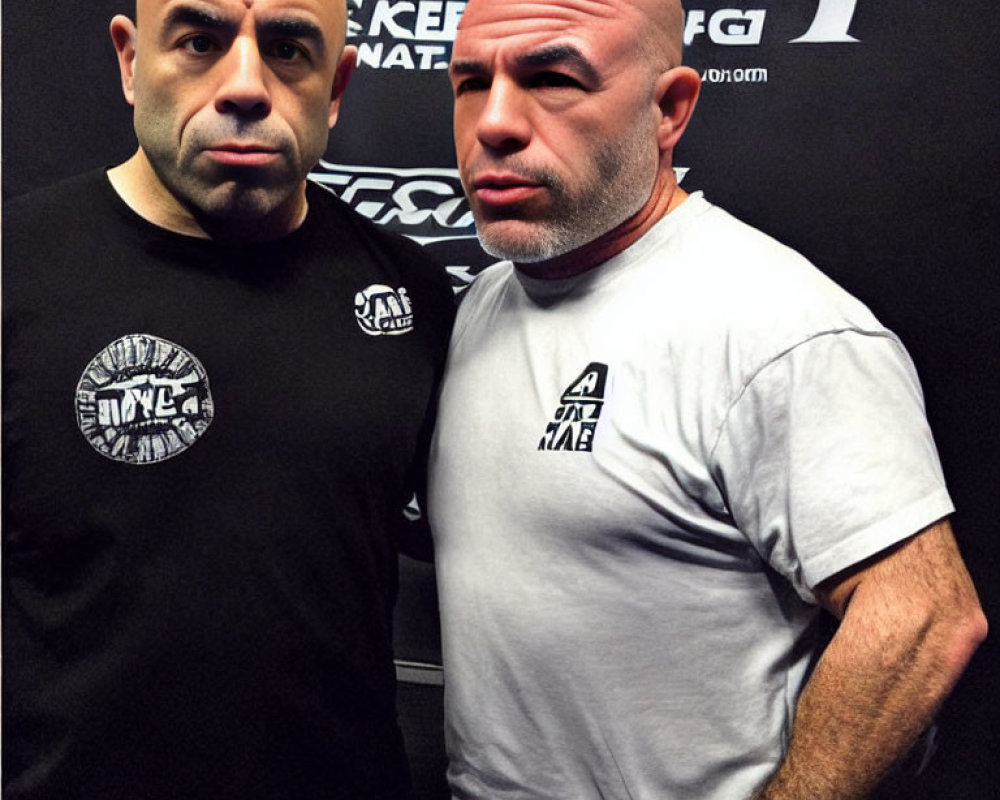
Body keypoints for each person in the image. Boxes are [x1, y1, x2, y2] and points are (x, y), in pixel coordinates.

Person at [426, 1, 987, 798]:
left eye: (552, 79)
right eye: (471, 82)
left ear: (669, 108)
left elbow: (924, 619)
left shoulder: (778, 324)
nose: (496, 124)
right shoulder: (482, 305)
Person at [1, 1, 454, 798]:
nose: (245, 85)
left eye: (286, 49)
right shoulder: (15, 272)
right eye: (201, 42)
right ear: (130, 61)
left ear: (337, 86)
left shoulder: (410, 294)